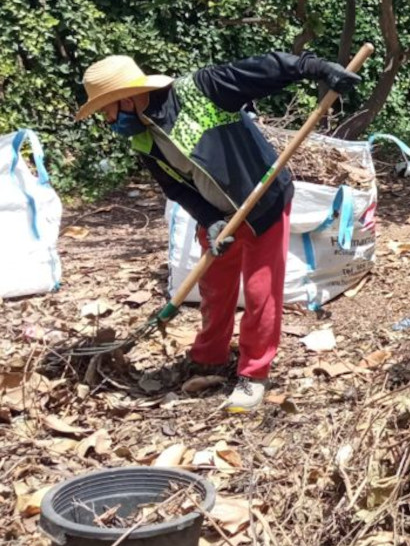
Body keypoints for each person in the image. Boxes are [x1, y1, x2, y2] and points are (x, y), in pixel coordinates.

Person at [75, 52, 361, 412]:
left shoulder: (199, 90)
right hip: (219, 214)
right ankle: (208, 356)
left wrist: (316, 69)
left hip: (261, 203)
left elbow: (263, 69)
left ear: (125, 98)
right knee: (214, 287)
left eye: (107, 111)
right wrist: (209, 219)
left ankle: (254, 373)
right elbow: (176, 188)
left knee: (260, 291)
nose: (108, 120)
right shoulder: (143, 137)